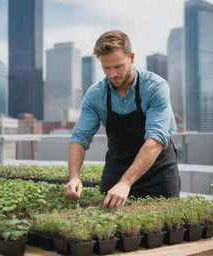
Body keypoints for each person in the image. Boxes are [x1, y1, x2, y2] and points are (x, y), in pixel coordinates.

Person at [64, 30, 180, 208]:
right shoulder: (95, 94)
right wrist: (74, 177)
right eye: (106, 68)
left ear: (131, 58)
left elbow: (156, 139)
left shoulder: (155, 87)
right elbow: (80, 137)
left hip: (158, 173)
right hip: (116, 170)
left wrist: (126, 183)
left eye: (118, 66)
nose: (112, 74)